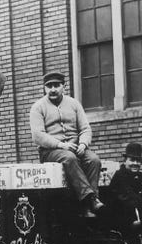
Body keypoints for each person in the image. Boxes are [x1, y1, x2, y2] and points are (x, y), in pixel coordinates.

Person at [30, 72, 104, 217]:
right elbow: (37, 135)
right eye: (49, 86)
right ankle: (90, 199)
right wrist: (60, 145)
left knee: (94, 160)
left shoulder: (74, 104)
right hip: (50, 151)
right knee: (69, 158)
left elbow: (85, 128)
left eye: (56, 85)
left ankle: (89, 205)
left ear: (64, 86)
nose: (53, 89)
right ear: (44, 88)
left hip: (76, 147)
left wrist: (83, 143)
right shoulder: (38, 107)